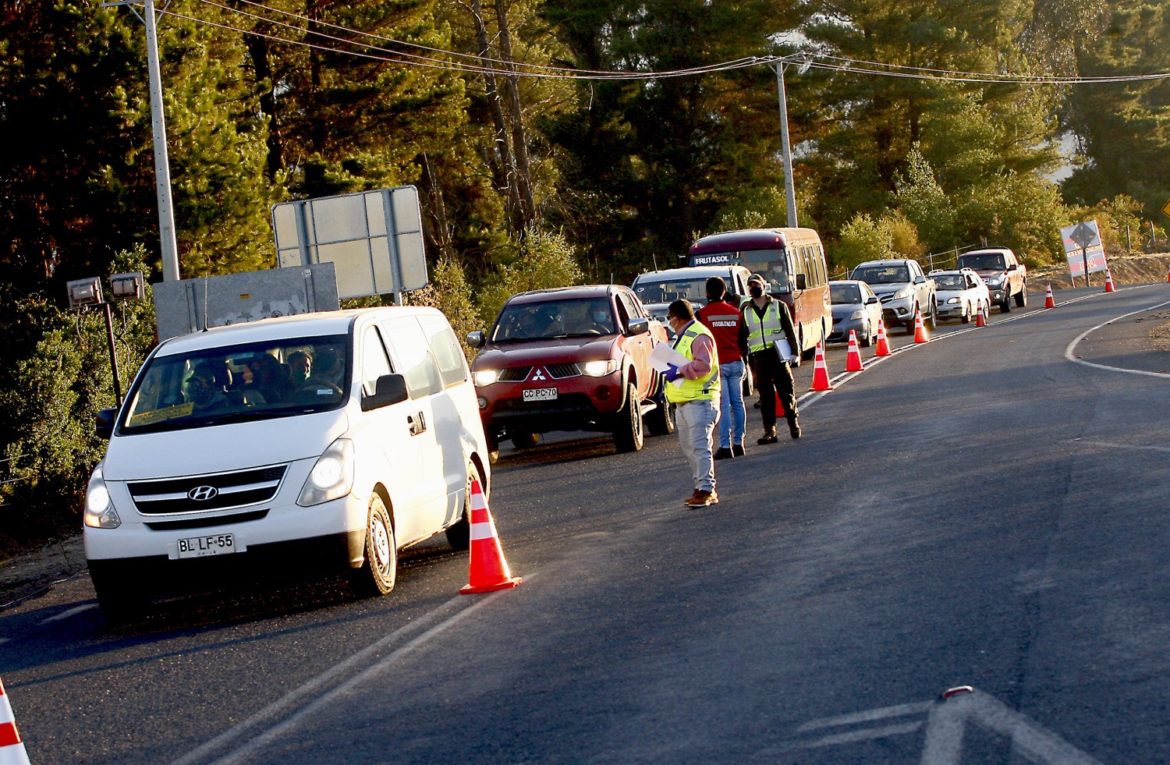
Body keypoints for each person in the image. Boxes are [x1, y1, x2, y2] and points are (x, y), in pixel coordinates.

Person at [663, 299, 721, 508]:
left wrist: (677, 370)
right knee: (690, 448)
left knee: (699, 447)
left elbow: (703, 365)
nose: (669, 323)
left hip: (700, 400)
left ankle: (707, 490)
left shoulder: (698, 335)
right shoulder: (685, 336)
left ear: (677, 318)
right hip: (685, 402)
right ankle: (700, 487)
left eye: (669, 319)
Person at [741, 273, 801, 444]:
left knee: (786, 392)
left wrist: (795, 352)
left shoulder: (778, 306)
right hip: (759, 358)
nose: (754, 288)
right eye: (751, 285)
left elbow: (789, 330)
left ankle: (793, 423)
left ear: (764, 285)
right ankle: (770, 431)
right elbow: (742, 336)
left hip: (778, 354)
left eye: (756, 284)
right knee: (766, 397)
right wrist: (744, 356)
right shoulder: (746, 310)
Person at [697, 277, 748, 460]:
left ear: (707, 293)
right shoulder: (736, 313)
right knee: (738, 403)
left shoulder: (702, 315)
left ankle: (726, 446)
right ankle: (739, 443)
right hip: (736, 362)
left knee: (724, 406)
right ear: (724, 291)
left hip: (717, 366)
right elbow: (744, 339)